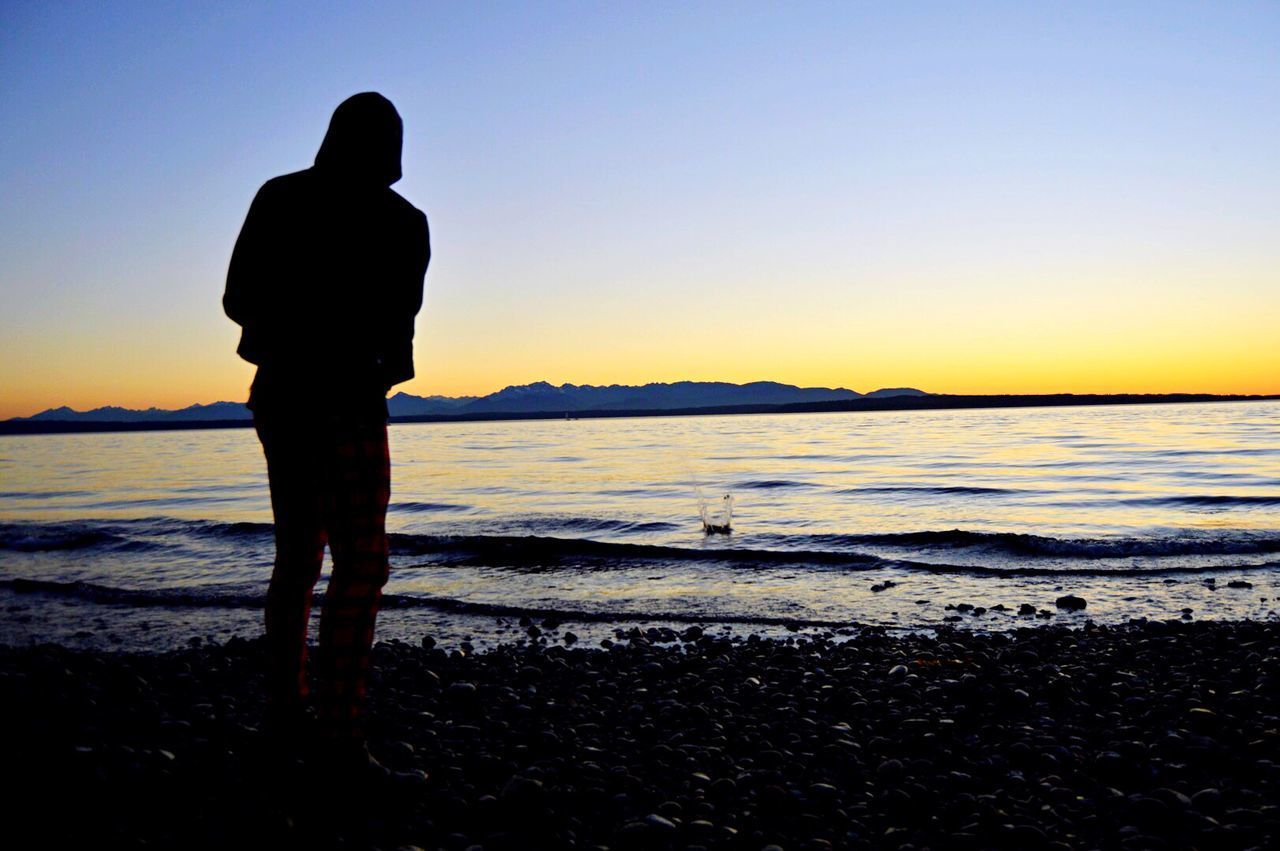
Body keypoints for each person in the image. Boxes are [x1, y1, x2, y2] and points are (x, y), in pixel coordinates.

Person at [223, 92, 430, 776]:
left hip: (301, 398)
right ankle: (330, 730)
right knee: (354, 563)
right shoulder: (395, 220)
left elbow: (240, 301)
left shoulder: (298, 201)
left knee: (306, 560)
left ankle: (294, 717)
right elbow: (396, 334)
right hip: (323, 401)